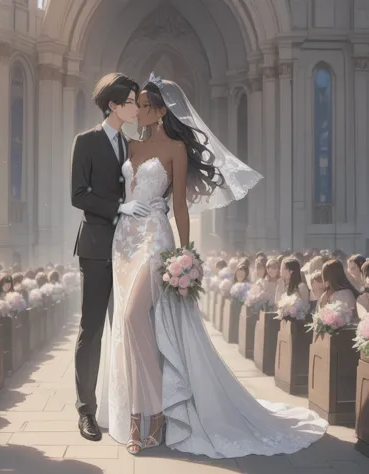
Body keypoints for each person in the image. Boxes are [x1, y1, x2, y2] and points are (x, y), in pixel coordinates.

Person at [96, 73, 327, 457]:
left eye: (143, 105)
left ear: (160, 110)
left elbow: (181, 207)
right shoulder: (129, 147)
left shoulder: (175, 149)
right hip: (124, 243)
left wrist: (184, 256)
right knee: (128, 325)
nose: (136, 110)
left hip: (155, 239)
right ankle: (140, 412)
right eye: (134, 104)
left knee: (135, 317)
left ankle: (151, 419)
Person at [71, 72, 152, 442]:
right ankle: (86, 411)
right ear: (114, 105)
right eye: (132, 101)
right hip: (95, 248)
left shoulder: (132, 144)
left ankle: (123, 408)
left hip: (128, 251)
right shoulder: (86, 141)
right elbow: (79, 195)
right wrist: (120, 207)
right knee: (92, 331)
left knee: (126, 329)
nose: (138, 106)